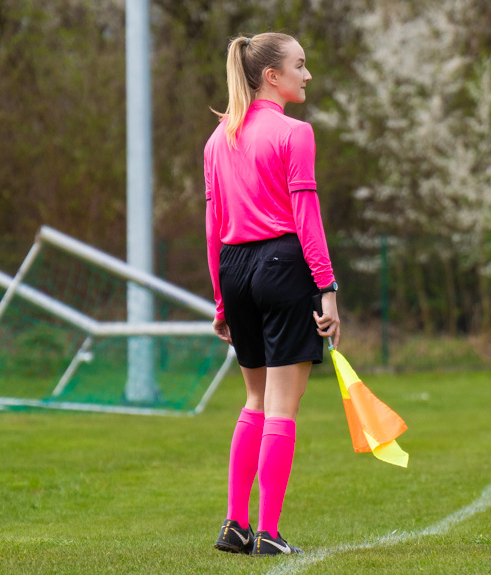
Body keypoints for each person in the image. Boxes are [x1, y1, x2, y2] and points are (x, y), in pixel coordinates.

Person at [204, 32, 340, 556]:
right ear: (271, 77)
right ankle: (268, 534)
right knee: (283, 406)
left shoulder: (218, 139)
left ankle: (235, 525)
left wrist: (221, 299)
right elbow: (306, 216)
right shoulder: (295, 132)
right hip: (283, 265)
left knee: (254, 400)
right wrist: (326, 288)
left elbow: (214, 228)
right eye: (300, 66)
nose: (307, 75)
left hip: (235, 269)